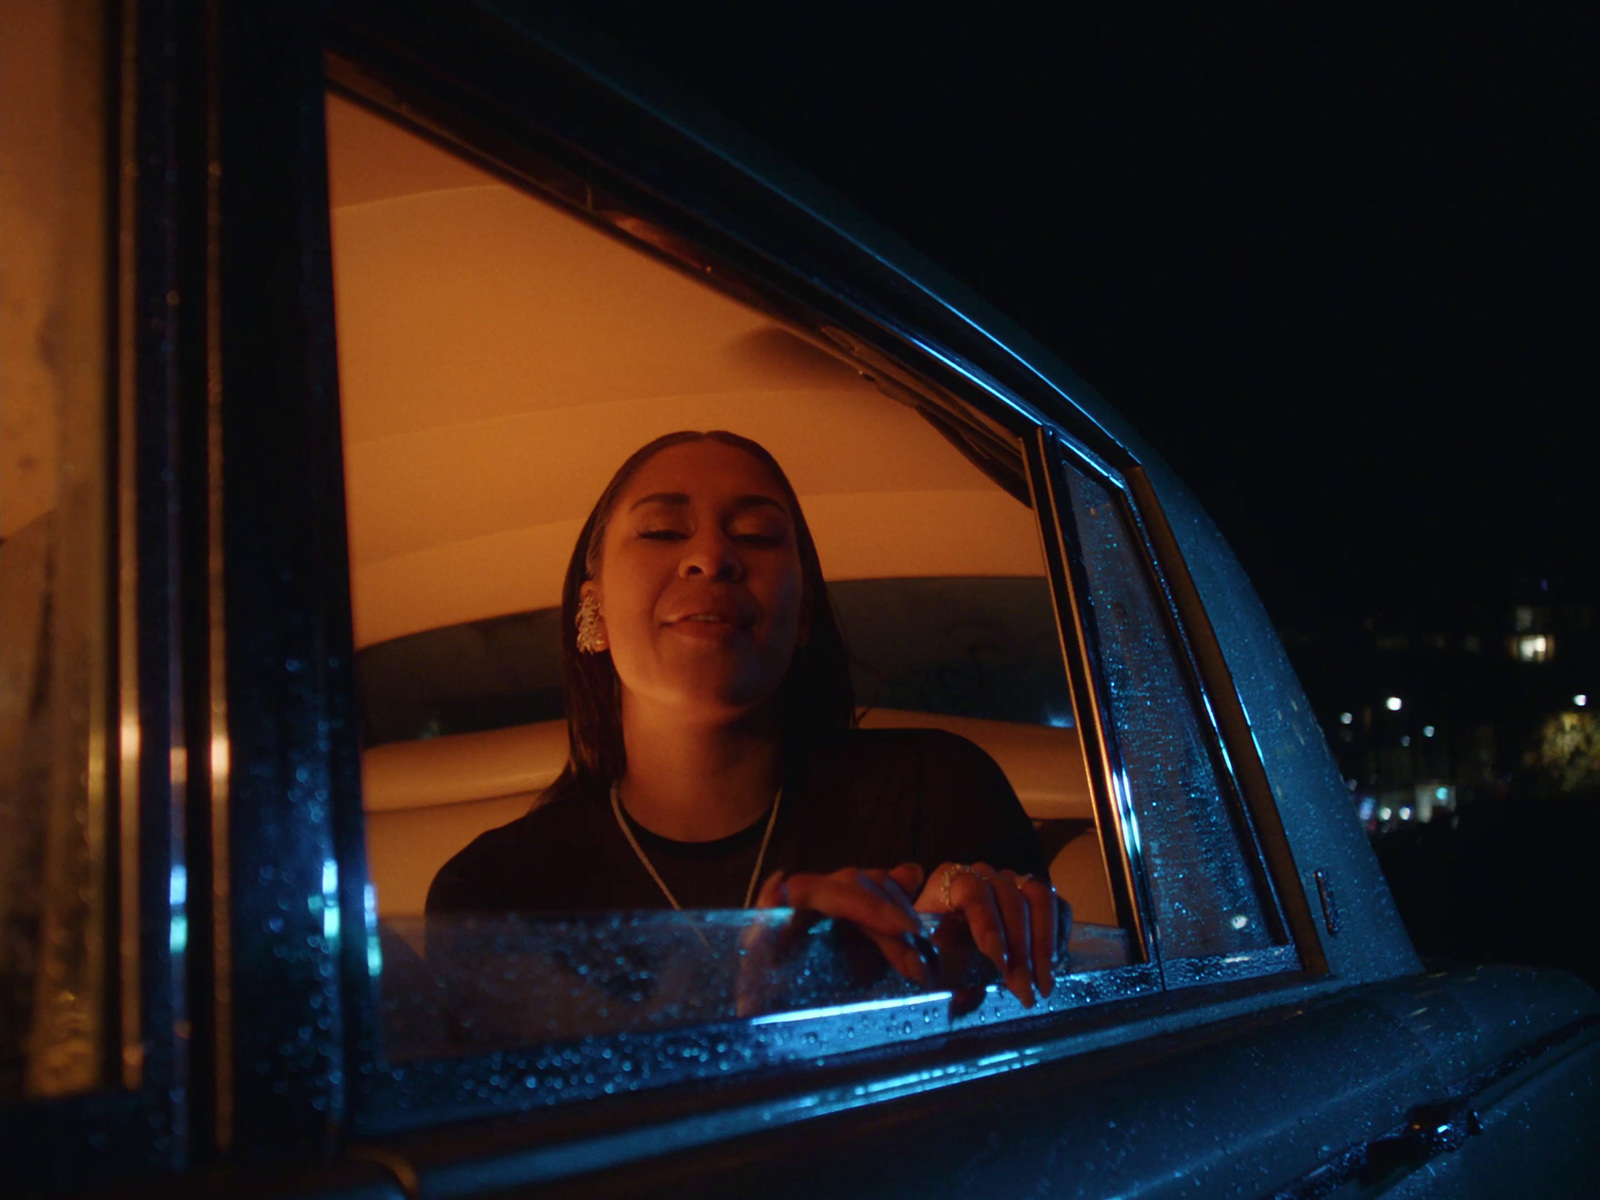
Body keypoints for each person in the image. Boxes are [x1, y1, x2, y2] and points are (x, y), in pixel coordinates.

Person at [428, 430, 1068, 1007]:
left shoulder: (935, 790)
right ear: (590, 610)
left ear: (804, 616)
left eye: (757, 536)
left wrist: (952, 939)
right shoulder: (492, 891)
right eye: (662, 531)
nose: (711, 556)